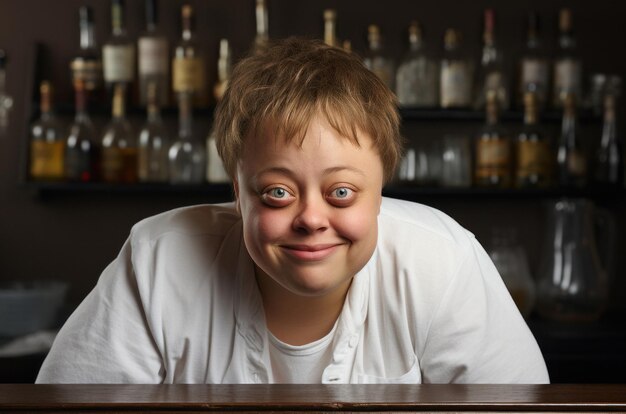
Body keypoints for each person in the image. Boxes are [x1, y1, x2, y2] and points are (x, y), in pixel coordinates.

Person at [36, 37, 549, 384]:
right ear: (237, 191)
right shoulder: (157, 259)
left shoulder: (442, 260)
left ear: (380, 192)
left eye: (342, 192)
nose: (310, 218)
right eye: (278, 192)